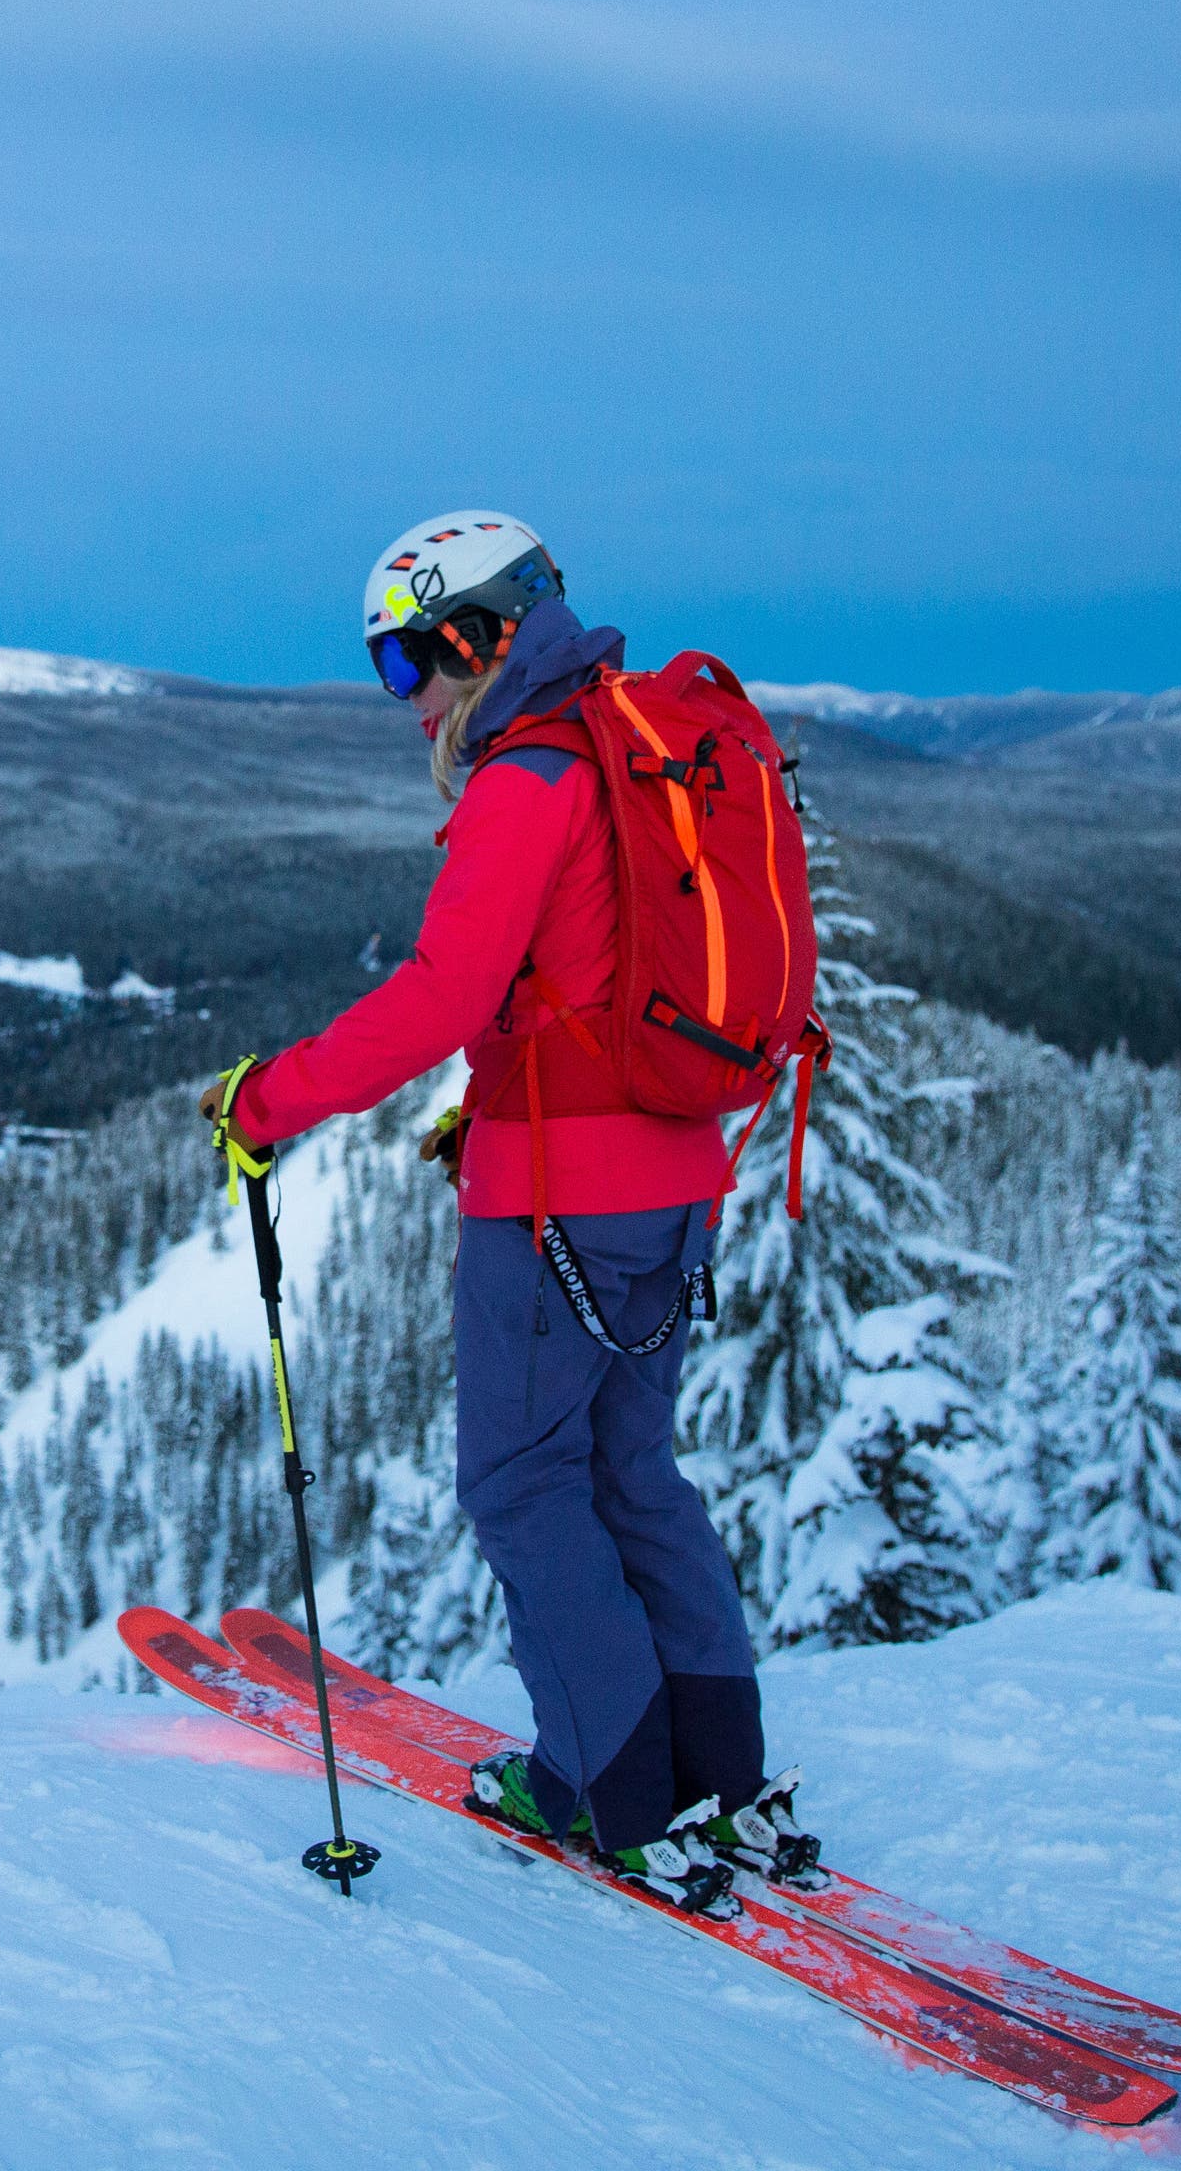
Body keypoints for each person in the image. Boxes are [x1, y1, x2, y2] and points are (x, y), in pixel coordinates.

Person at [199, 511, 819, 1917]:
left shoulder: (532, 773)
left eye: (408, 661)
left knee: (520, 1484)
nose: (405, 698)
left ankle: (608, 1785)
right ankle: (718, 1771)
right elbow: (584, 988)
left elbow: (440, 996)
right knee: (632, 1474)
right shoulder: (630, 744)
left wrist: (266, 1104)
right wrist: (495, 1098)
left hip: (551, 1213)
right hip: (678, 1182)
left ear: (480, 635)